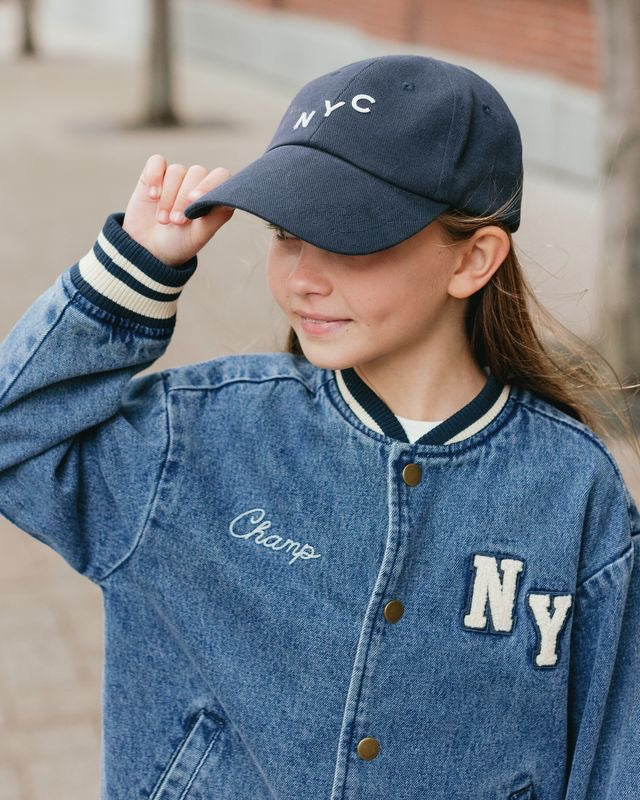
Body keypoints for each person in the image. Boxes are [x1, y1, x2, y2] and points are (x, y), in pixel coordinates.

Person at [0, 54, 638, 800]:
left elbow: (615, 757)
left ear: (473, 259)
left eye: (349, 234)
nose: (302, 276)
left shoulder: (573, 488)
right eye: (286, 232)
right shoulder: (194, 440)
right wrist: (130, 276)